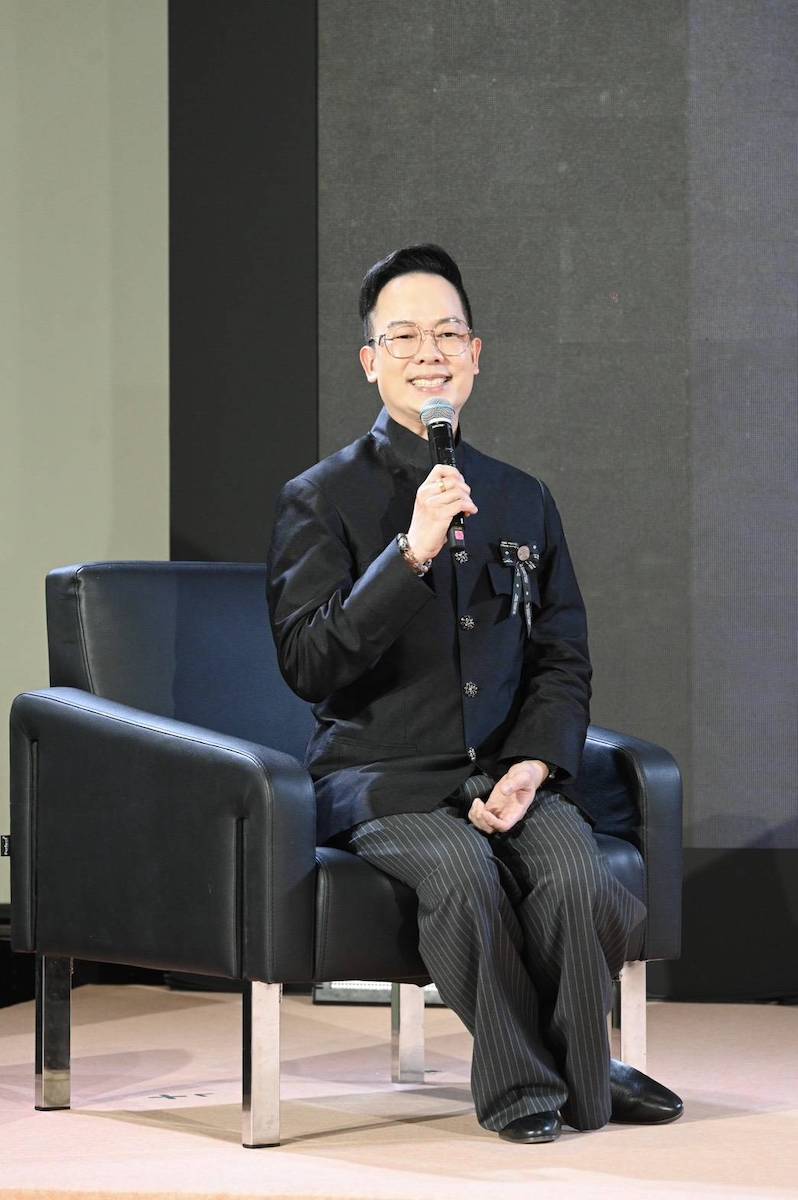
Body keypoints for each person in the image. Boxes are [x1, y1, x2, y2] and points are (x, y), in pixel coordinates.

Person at [267, 244, 682, 1143]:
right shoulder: (320, 498)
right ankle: (527, 1087)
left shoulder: (522, 497)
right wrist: (410, 552)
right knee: (462, 877)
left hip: (502, 773)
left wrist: (534, 763)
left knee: (577, 875)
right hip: (381, 779)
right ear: (370, 360)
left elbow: (562, 654)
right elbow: (309, 662)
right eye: (404, 337)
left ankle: (582, 1074)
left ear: (477, 354)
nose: (431, 353)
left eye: (449, 334)